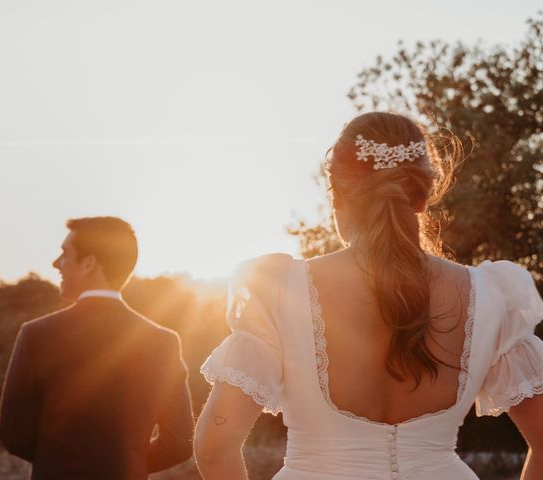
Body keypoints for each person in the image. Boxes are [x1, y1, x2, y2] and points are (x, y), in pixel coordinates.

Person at [194, 112, 543, 479]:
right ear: (423, 196)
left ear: (337, 194)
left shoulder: (279, 290)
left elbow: (214, 446)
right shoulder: (494, 294)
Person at [0, 216, 194, 479]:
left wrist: (58, 463)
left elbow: (13, 434)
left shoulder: (36, 334)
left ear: (89, 263)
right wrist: (125, 464)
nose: (56, 263)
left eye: (65, 254)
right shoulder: (164, 342)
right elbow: (179, 442)